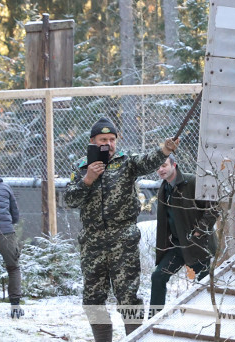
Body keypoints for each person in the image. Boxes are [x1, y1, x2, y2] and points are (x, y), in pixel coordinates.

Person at [65, 118, 179, 342]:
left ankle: (134, 338)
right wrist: (88, 179)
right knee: (93, 299)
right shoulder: (81, 167)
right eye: (102, 140)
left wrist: (164, 150)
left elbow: (147, 161)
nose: (108, 143)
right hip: (92, 241)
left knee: (128, 298)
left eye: (112, 139)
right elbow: (70, 199)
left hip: (122, 239)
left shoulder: (127, 162)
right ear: (92, 142)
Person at [149, 154, 217, 316]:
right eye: (157, 167)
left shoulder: (192, 182)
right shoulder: (164, 188)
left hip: (198, 246)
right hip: (177, 246)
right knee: (158, 277)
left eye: (164, 165)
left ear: (174, 165)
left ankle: (202, 323)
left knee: (203, 285)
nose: (160, 170)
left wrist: (199, 231)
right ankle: (153, 319)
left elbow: (214, 209)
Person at [0, 162, 24, 319]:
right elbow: (15, 214)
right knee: (13, 268)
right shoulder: (4, 186)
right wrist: (6, 225)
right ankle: (15, 307)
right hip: (5, 232)